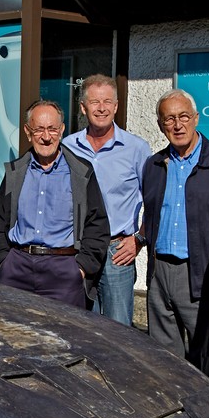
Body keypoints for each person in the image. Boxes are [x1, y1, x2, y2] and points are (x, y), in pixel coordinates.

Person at [141, 89, 209, 365]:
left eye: (184, 116)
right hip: (159, 271)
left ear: (196, 118)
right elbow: (150, 215)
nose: (177, 125)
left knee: (206, 357)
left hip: (200, 274)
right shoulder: (153, 165)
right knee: (164, 359)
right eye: (169, 119)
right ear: (160, 125)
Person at [0, 100, 110, 308]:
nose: (46, 137)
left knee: (63, 329)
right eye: (39, 129)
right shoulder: (15, 172)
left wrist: (80, 268)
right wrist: (4, 260)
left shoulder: (81, 173)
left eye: (52, 129)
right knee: (13, 327)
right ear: (28, 132)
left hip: (63, 272)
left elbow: (97, 224)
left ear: (61, 130)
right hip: (17, 269)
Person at [61, 75, 150, 326]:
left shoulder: (136, 149)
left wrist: (139, 239)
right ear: (83, 107)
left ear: (116, 106)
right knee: (78, 324)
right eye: (95, 102)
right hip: (77, 250)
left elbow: (154, 201)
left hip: (117, 252)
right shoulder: (67, 147)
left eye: (107, 102)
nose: (101, 108)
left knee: (118, 329)